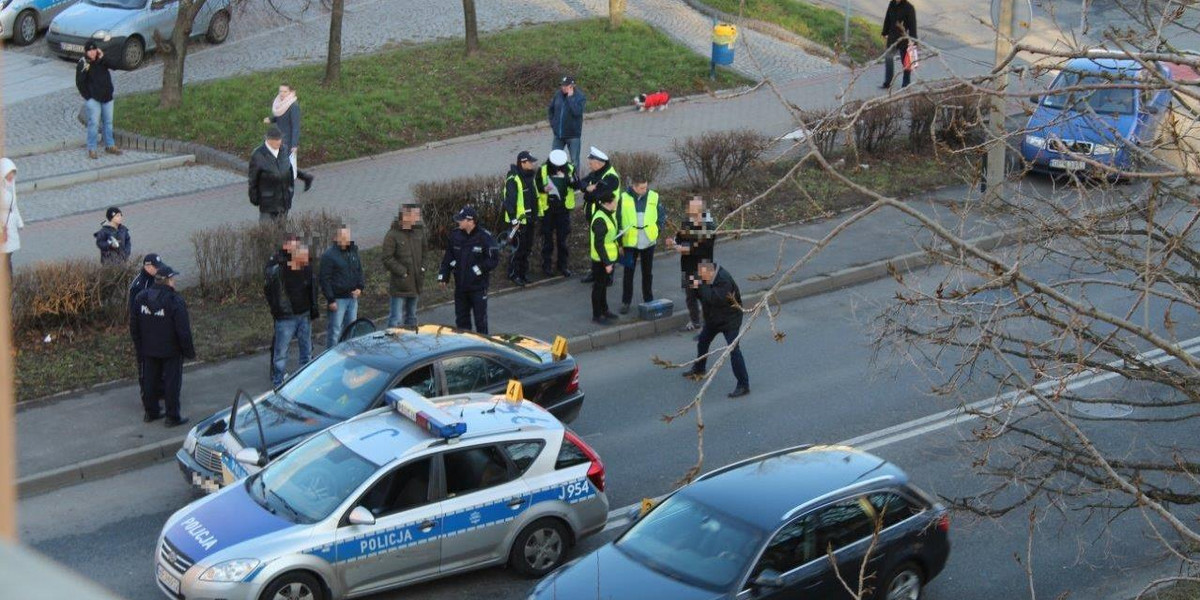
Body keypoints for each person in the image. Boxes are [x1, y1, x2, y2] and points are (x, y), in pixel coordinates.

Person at [130, 263, 194, 426]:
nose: (174, 281)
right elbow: (183, 330)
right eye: (173, 278)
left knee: (150, 380)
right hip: (170, 350)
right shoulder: (174, 300)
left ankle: (151, 412)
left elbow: (134, 325)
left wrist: (140, 347)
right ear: (168, 280)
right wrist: (188, 351)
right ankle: (172, 417)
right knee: (171, 383)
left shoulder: (141, 298)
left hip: (148, 349)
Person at [682, 260, 750, 398]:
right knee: (703, 341)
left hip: (730, 319)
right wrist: (691, 285)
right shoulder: (703, 274)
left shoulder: (724, 280)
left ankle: (743, 385)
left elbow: (712, 299)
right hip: (713, 318)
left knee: (733, 350)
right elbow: (692, 296)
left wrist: (700, 284)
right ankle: (699, 368)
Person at [265, 237, 318, 387]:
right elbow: (269, 289)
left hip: (304, 314)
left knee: (306, 351)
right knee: (281, 353)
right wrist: (276, 310)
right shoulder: (278, 266)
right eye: (293, 246)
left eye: (298, 246)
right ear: (286, 247)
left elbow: (312, 286)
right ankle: (278, 382)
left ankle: (305, 381)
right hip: (286, 317)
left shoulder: (305, 264)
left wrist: (312, 309)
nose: (297, 249)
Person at [438, 206, 499, 334]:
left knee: (480, 322)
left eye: (461, 220)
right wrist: (443, 275)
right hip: (460, 288)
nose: (458, 222)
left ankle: (483, 349)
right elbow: (448, 257)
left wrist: (478, 269)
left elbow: (493, 260)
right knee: (461, 323)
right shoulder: (455, 236)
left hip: (478, 288)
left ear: (470, 221)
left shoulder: (484, 237)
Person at [667, 196, 716, 332]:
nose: (692, 213)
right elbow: (679, 238)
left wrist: (686, 248)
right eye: (691, 210)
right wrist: (673, 242)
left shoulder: (709, 226)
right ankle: (695, 321)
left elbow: (703, 247)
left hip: (704, 266)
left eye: (695, 210)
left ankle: (709, 323)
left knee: (705, 296)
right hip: (688, 266)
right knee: (690, 296)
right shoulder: (687, 223)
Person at [619, 177, 665, 313]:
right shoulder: (624, 197)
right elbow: (618, 218)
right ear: (633, 186)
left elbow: (661, 216)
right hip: (630, 241)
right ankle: (626, 302)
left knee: (647, 272)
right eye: (641, 188)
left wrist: (657, 230)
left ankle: (648, 299)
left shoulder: (653, 196)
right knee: (628, 273)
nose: (644, 190)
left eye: (646, 187)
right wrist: (620, 242)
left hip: (648, 240)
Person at [579, 147, 621, 284]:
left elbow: (596, 196)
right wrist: (587, 188)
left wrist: (587, 192)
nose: (589, 165)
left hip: (606, 217)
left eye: (591, 162)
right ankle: (595, 271)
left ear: (599, 162)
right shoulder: (597, 173)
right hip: (595, 217)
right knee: (595, 243)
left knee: (606, 243)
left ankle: (609, 275)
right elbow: (581, 183)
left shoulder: (611, 177)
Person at [382, 203, 426, 327]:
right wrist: (403, 272)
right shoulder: (392, 235)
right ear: (406, 216)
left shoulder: (419, 231)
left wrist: (422, 268)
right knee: (396, 318)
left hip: (416, 282)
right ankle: (392, 343)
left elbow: (425, 252)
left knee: (412, 317)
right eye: (415, 215)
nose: (417, 218)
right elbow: (387, 258)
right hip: (400, 285)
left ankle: (410, 342)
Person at [320, 225, 365, 347]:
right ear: (336, 238)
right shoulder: (329, 256)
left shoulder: (353, 252)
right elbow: (325, 279)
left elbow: (359, 271)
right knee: (335, 331)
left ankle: (348, 353)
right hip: (338, 300)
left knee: (351, 328)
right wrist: (331, 299)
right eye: (342, 236)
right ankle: (331, 356)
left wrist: (360, 288)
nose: (346, 239)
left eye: (347, 236)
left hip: (352, 297)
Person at [264, 83, 315, 192]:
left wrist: (294, 144)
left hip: (287, 139)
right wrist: (272, 119)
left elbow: (295, 126)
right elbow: (280, 117)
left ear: (291, 92)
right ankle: (306, 178)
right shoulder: (280, 104)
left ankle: (286, 186)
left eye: (285, 91)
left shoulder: (293, 106)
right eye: (280, 91)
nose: (282, 94)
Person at [75, 41, 121, 160]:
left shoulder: (102, 59)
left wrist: (103, 57)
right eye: (89, 50)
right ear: (86, 52)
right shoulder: (83, 63)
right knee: (94, 123)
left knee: (108, 122)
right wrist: (88, 97)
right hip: (93, 99)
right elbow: (80, 82)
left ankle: (110, 145)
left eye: (94, 49)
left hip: (107, 97)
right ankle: (92, 148)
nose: (92, 52)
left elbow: (115, 65)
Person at [535, 149, 577, 277]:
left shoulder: (569, 168)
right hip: (548, 210)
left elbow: (576, 184)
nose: (559, 168)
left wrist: (569, 180)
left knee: (562, 240)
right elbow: (536, 186)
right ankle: (546, 267)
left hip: (563, 209)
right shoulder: (543, 170)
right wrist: (544, 188)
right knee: (547, 240)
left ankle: (562, 266)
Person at [129, 253, 163, 409]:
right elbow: (135, 314)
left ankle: (160, 390)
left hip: (157, 329)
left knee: (159, 361)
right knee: (145, 364)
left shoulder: (156, 278)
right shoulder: (138, 286)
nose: (158, 270)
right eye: (155, 267)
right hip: (144, 332)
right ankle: (147, 394)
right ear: (147, 267)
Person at [503, 150, 539, 286]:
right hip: (518, 223)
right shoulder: (513, 179)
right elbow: (509, 201)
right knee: (518, 249)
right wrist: (514, 220)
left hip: (529, 220)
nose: (533, 164)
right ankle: (514, 274)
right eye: (530, 162)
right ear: (523, 163)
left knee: (526, 249)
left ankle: (523, 273)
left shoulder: (529, 176)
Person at [248, 126, 295, 223]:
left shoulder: (284, 150)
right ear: (268, 140)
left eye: (280, 139)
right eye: (276, 139)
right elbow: (253, 180)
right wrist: (255, 199)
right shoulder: (258, 155)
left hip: (284, 201)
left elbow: (289, 171)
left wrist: (290, 191)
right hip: (268, 204)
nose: (279, 141)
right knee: (267, 233)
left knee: (283, 232)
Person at [589, 192, 620, 324]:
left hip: (607, 258)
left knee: (603, 286)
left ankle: (604, 310)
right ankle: (597, 315)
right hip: (601, 260)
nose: (616, 204)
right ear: (607, 203)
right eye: (614, 202)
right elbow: (599, 244)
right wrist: (607, 263)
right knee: (598, 287)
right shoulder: (600, 219)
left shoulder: (606, 214)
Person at [548, 75, 586, 169]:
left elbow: (577, 112)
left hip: (573, 136)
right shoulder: (558, 94)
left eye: (566, 86)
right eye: (562, 85)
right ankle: (556, 180)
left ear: (572, 86)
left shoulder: (580, 97)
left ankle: (575, 181)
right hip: (558, 135)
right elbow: (551, 110)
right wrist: (553, 124)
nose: (563, 87)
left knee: (574, 161)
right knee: (554, 160)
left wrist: (570, 97)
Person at [881, 0, 918, 89]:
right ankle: (888, 82)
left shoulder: (909, 8)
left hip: (904, 39)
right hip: (892, 37)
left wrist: (913, 41)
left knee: (905, 61)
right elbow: (888, 19)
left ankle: (906, 84)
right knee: (888, 58)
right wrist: (884, 32)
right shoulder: (892, 4)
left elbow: (913, 26)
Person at [0, 158, 23, 279]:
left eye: (13, 173)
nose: (11, 176)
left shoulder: (11, 185)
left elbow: (14, 206)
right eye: (9, 174)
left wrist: (19, 222)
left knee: (7, 256)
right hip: (3, 228)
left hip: (10, 227)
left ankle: (8, 282)